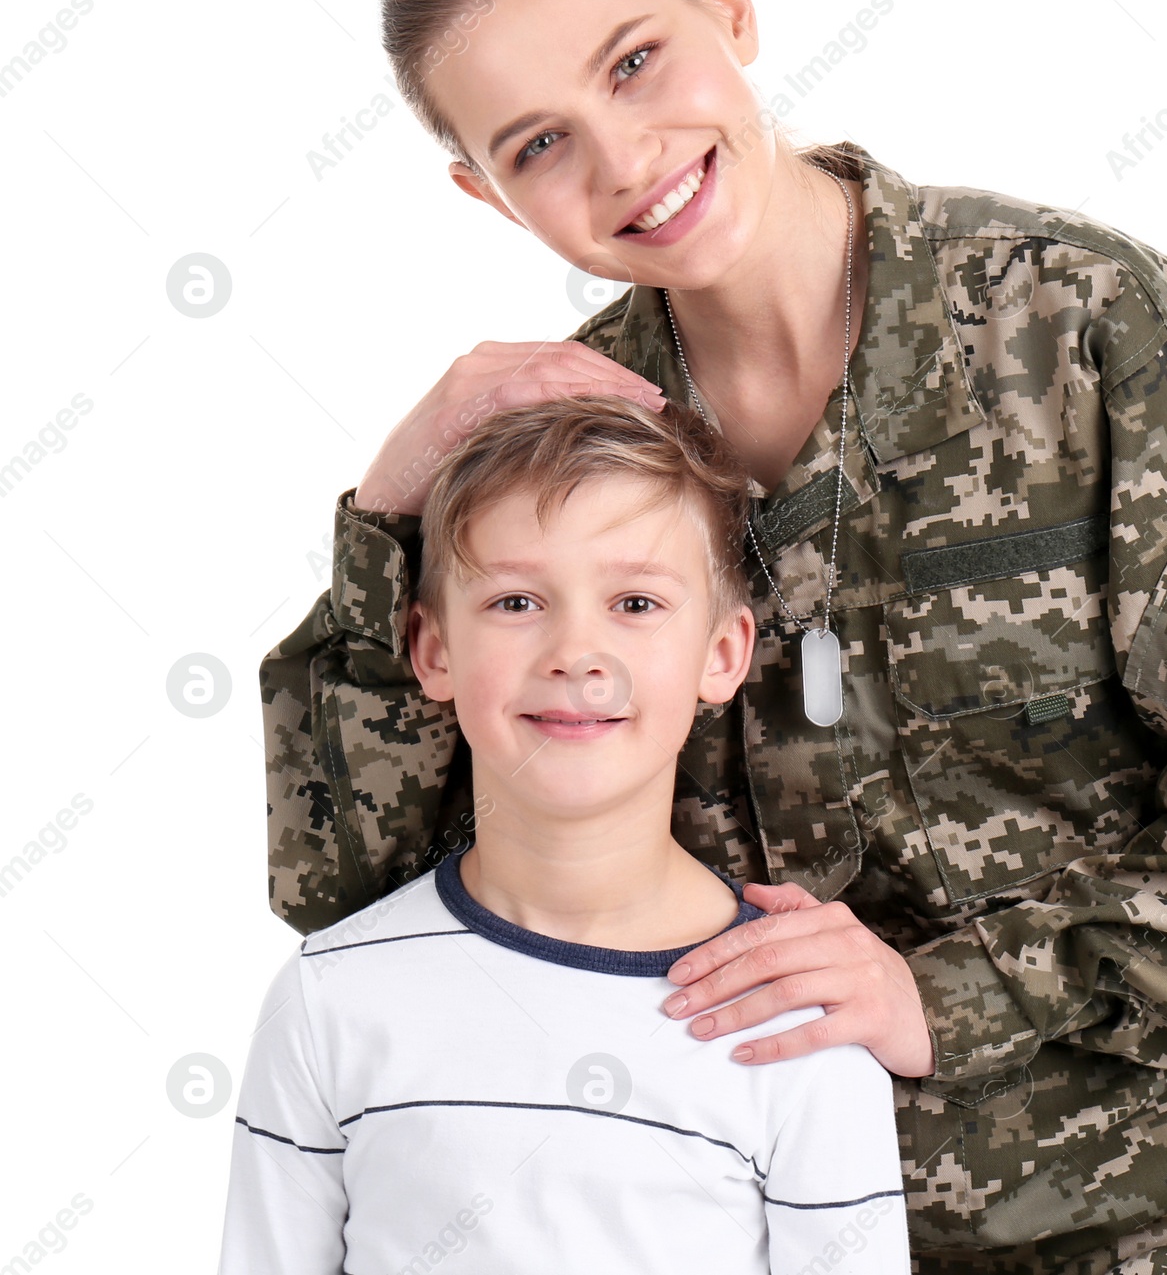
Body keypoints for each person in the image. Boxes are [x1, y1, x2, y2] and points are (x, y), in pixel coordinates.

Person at [260, 0, 1167, 1272]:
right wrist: (387, 506)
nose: (625, 159)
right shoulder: (566, 456)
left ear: (728, 5)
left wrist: (951, 995)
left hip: (1166, 1238)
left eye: (637, 62)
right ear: (483, 192)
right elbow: (351, 892)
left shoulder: (1080, 331)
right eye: (540, 144)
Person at [225, 396, 912, 1272]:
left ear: (723, 653)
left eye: (635, 600)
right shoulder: (329, 999)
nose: (577, 652)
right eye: (516, 600)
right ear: (433, 650)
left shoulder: (796, 1021)